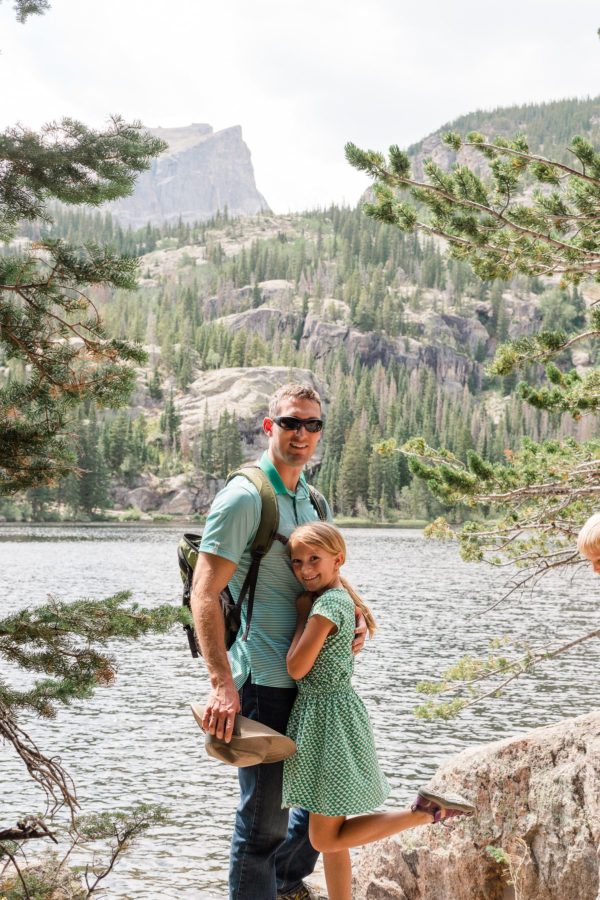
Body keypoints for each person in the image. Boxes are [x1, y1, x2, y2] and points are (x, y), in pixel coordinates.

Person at [190, 382, 367, 900]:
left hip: (314, 689)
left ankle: (284, 888)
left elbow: (327, 575)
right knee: (263, 826)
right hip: (263, 682)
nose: (302, 434)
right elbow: (204, 593)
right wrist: (221, 684)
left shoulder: (313, 499)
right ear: (270, 427)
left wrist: (350, 617)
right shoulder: (245, 497)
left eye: (313, 425)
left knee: (317, 815)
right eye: (291, 423)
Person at [283, 522, 475, 900]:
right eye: (297, 562)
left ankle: (425, 813)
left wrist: (302, 613)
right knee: (335, 837)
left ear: (338, 560)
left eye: (314, 559)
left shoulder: (325, 605)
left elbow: (295, 667)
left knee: (323, 836)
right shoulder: (336, 598)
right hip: (333, 716)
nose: (305, 569)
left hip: (327, 722)